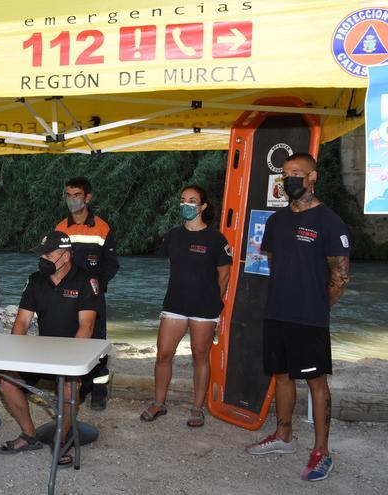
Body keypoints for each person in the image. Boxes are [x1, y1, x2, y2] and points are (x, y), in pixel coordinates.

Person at [245, 153, 350, 482]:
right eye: (286, 173)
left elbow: (340, 276)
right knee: (281, 376)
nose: (290, 178)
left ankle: (322, 451)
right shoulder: (276, 222)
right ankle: (283, 436)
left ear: (312, 177)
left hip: (310, 318)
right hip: (277, 313)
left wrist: (319, 306)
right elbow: (275, 262)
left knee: (317, 383)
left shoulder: (330, 221)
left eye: (297, 173)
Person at [0, 231, 100, 468]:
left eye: (47, 254)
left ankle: (61, 440)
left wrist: (70, 363)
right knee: (5, 380)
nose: (41, 258)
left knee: (67, 390)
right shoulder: (36, 280)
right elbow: (21, 322)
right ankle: (29, 435)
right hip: (41, 353)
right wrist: (12, 356)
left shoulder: (86, 281)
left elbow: (87, 327)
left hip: (74, 355)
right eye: (40, 254)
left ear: (65, 256)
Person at [139, 185, 231, 427]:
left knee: (200, 357)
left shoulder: (215, 238)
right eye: (183, 200)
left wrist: (213, 298)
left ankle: (197, 408)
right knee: (163, 355)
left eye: (192, 201)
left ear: (203, 206)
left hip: (205, 308)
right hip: (175, 304)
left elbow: (224, 273)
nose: (186, 205)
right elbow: (174, 266)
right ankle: (159, 403)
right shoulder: (173, 236)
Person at [54, 177, 119, 410]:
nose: (72, 200)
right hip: (66, 296)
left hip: (94, 296)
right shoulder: (60, 228)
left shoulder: (103, 227)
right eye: (69, 195)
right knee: (70, 341)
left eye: (77, 195)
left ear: (88, 197)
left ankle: (99, 390)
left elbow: (112, 264)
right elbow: (54, 261)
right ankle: (75, 388)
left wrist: (97, 286)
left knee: (97, 343)